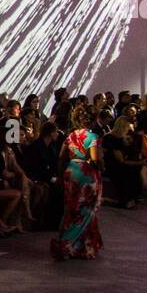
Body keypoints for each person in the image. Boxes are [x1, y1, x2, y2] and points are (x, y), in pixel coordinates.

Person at [51, 108, 102, 260]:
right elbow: (94, 160)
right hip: (85, 174)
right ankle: (70, 245)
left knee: (71, 208)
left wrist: (61, 175)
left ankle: (73, 244)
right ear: (91, 120)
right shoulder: (92, 136)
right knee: (86, 210)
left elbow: (61, 157)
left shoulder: (70, 136)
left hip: (70, 171)